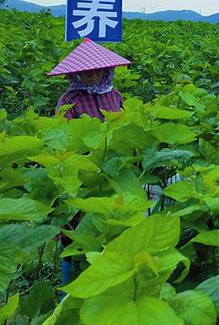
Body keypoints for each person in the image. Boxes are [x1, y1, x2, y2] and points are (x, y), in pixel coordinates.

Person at [48, 38, 131, 289]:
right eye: (86, 71)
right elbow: (62, 137)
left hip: (110, 166)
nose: (92, 75)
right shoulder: (68, 100)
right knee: (73, 228)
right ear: (76, 74)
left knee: (107, 223)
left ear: (107, 70)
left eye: (97, 70)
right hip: (81, 169)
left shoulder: (114, 95)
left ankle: (104, 280)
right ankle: (67, 285)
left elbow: (126, 125)